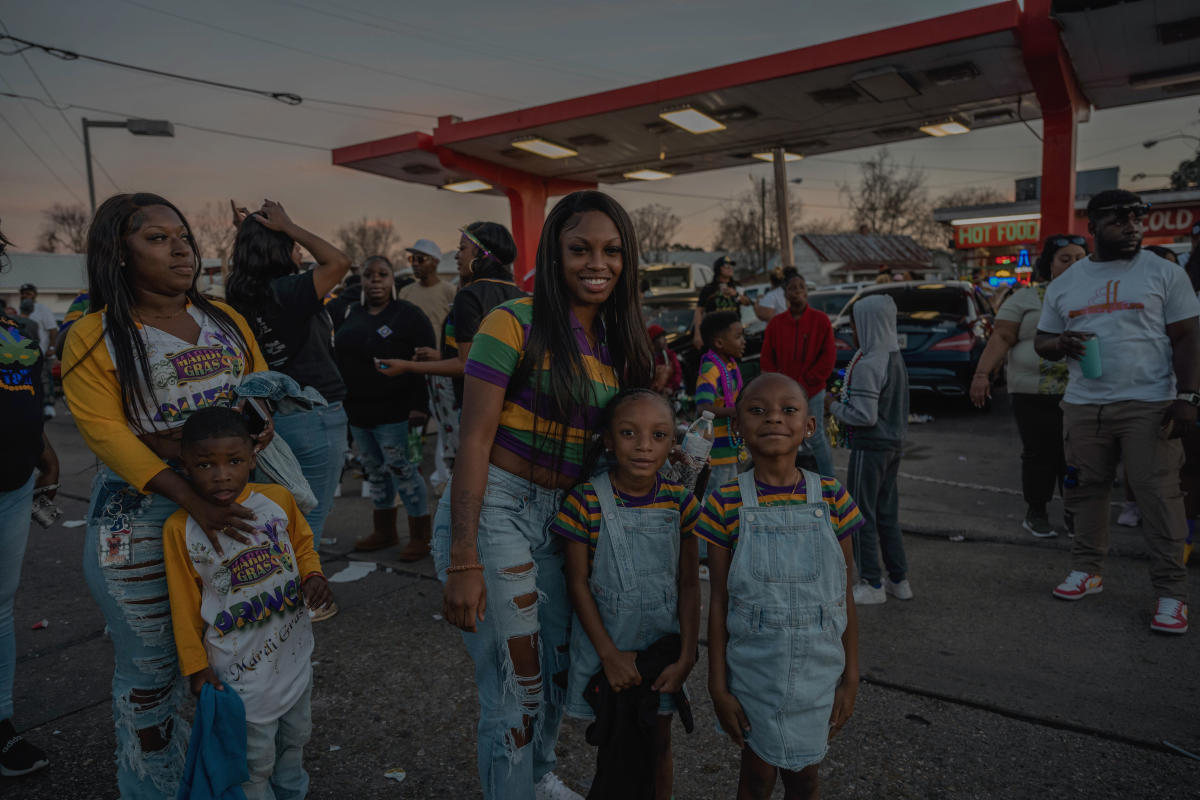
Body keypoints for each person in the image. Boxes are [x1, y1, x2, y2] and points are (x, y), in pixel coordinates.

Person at [433, 191, 651, 799]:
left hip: (566, 522)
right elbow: (472, 442)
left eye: (611, 251)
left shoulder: (618, 341)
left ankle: (536, 776)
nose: (596, 263)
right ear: (553, 253)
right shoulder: (511, 321)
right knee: (515, 684)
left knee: (557, 674)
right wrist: (465, 557)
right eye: (579, 248)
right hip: (498, 507)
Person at [62, 193, 270, 796]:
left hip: (233, 508)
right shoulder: (93, 335)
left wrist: (209, 438)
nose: (181, 247)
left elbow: (259, 394)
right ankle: (152, 786)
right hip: (141, 518)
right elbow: (106, 434)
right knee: (152, 670)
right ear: (117, 255)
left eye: (182, 234)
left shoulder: (227, 318)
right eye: (156, 238)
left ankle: (228, 780)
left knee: (233, 663)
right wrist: (193, 492)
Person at [1036, 189, 1200, 635]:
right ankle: (1087, 570)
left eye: (1136, 218)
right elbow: (1042, 342)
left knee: (1157, 496)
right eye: (1118, 218)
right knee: (1085, 489)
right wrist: (1060, 344)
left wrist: (1188, 396)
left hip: (1151, 402)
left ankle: (1171, 595)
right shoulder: (1066, 283)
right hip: (1085, 403)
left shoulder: (1164, 272)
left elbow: (1187, 338)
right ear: (1092, 227)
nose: (1131, 225)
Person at [702, 373, 861, 800]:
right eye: (757, 410)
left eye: (788, 409)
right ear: (737, 427)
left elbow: (844, 591)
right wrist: (718, 685)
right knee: (756, 776)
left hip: (818, 669)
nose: (774, 418)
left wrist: (851, 675)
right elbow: (718, 600)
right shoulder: (724, 503)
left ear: (809, 427)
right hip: (755, 669)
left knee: (804, 778)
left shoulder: (833, 497)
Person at [163, 407, 331, 799]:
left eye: (234, 461)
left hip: (293, 656)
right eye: (205, 464)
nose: (222, 474)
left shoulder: (278, 501)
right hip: (238, 673)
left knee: (294, 744)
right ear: (183, 464)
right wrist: (196, 667)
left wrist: (313, 575)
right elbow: (183, 605)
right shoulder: (180, 529)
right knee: (254, 764)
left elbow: (303, 545)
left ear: (253, 459)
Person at [551, 389, 700, 798]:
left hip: (662, 655)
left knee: (659, 743)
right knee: (615, 744)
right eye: (630, 433)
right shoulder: (585, 501)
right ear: (609, 439)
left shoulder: (681, 503)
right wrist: (609, 655)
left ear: (673, 444)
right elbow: (576, 583)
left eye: (658, 435)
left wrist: (687, 655)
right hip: (607, 650)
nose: (644, 446)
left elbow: (689, 583)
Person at [226, 199, 352, 565]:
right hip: (314, 414)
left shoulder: (240, 295)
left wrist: (249, 233)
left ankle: (273, 586)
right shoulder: (292, 290)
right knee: (310, 515)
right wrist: (288, 225)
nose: (299, 251)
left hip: (269, 417)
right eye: (293, 246)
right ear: (279, 249)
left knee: (278, 510)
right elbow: (339, 262)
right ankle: (301, 596)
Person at [378, 223, 524, 493]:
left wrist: (407, 366)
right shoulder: (519, 295)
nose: (457, 255)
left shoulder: (470, 296)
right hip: (512, 407)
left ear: (482, 255)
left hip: (472, 407)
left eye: (462, 249)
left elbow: (467, 364)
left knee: (468, 481)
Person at [971, 234, 1087, 537]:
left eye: (1080, 258)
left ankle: (1075, 514)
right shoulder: (1025, 298)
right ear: (1048, 264)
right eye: (1065, 259)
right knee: (1040, 453)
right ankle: (1036, 512)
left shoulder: (1098, 297)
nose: (1074, 264)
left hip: (1084, 392)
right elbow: (1002, 338)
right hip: (1032, 393)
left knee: (1076, 455)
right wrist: (982, 374)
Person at [0, 224, 57, 778]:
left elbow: (20, 386)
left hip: (14, 482)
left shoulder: (10, 323)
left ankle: (1, 724)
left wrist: (43, 450)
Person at [334, 258, 436, 557]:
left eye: (382, 275)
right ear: (361, 280)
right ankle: (385, 531)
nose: (375, 281)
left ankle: (420, 536)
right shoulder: (351, 312)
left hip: (397, 412)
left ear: (393, 279)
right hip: (357, 411)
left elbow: (425, 365)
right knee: (374, 473)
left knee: (403, 471)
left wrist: (420, 408)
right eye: (368, 275)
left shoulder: (409, 315)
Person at [826, 295, 911, 605]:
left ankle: (872, 582)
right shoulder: (893, 357)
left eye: (855, 325)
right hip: (893, 444)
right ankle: (898, 580)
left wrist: (831, 405)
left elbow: (865, 415)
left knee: (861, 515)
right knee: (887, 514)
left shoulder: (870, 363)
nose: (853, 332)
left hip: (870, 445)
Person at [760, 274, 837, 477]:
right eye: (792, 288)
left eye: (801, 287)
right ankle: (789, 480)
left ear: (806, 292)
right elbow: (767, 359)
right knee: (785, 436)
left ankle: (829, 482)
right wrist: (777, 385)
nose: (797, 291)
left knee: (815, 436)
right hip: (783, 394)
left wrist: (808, 381)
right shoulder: (776, 324)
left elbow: (828, 356)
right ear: (786, 294)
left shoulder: (820, 321)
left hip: (813, 391)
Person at [696, 311, 746, 499]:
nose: (743, 341)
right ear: (719, 343)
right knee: (715, 495)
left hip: (729, 447)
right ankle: (707, 526)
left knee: (731, 493)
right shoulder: (711, 368)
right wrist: (737, 411)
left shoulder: (731, 366)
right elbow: (703, 408)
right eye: (738, 337)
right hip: (717, 449)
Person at [399, 238, 457, 334]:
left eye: (420, 259)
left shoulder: (450, 291)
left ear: (435, 261)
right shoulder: (405, 292)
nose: (415, 264)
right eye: (412, 259)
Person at [692, 256, 750, 350]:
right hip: (714, 334)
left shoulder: (737, 287)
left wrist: (736, 295)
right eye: (726, 266)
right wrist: (697, 334)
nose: (730, 269)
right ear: (718, 269)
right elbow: (699, 311)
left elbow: (747, 302)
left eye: (731, 266)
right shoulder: (709, 289)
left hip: (734, 334)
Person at [17, 283, 57, 418]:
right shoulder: (20, 309)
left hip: (42, 352)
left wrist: (52, 347)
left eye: (28, 293)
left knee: (45, 379)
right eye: (23, 293)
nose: (25, 296)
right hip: (24, 355)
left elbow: (52, 329)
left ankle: (49, 406)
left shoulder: (42, 309)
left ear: (34, 294)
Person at [648, 324, 683, 399]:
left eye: (664, 337)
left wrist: (670, 387)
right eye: (661, 337)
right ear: (653, 341)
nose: (665, 340)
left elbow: (678, 373)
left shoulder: (670, 355)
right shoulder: (647, 359)